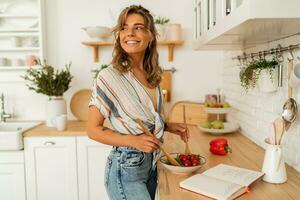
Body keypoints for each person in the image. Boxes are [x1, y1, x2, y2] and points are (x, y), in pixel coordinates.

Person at [87, 5, 189, 200]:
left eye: (138, 27)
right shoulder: (109, 77)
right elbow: (92, 130)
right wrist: (133, 141)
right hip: (126, 168)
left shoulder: (153, 77)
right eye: (124, 28)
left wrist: (167, 126)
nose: (130, 33)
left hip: (151, 163)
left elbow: (140, 119)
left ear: (150, 35)